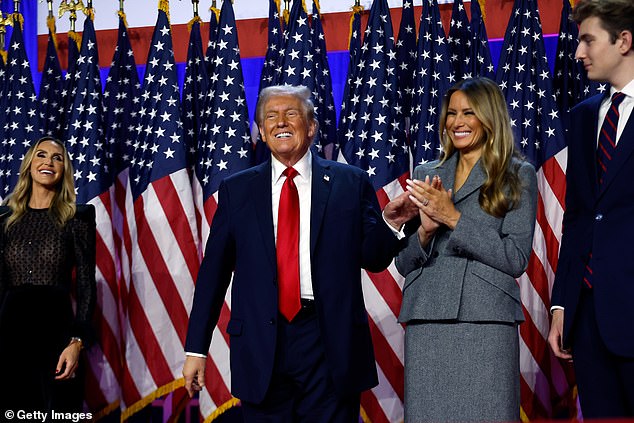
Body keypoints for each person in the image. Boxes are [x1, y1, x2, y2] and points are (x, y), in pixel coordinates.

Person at [182, 85, 415, 422]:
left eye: (291, 113)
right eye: (271, 117)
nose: (281, 122)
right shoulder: (237, 190)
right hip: (262, 344)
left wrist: (391, 224)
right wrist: (196, 349)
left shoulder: (350, 182)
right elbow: (213, 275)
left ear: (311, 126)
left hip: (329, 344)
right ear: (261, 131)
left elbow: (374, 258)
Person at [396, 77, 538, 422]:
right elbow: (404, 262)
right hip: (427, 318)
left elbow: (515, 259)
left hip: (485, 320)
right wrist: (425, 234)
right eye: (452, 113)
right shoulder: (426, 172)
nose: (457, 122)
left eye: (469, 113)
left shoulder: (517, 174)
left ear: (489, 118)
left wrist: (455, 219)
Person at [547, 0, 634, 417]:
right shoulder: (583, 117)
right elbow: (579, 216)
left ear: (624, 41)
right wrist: (562, 303)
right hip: (589, 320)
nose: (578, 52)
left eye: (587, 39)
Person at [0, 136, 96, 412]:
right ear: (29, 165)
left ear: (64, 169)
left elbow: (87, 286)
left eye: (57, 158)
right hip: (10, 330)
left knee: (59, 411)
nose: (49, 162)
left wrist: (77, 342)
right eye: (41, 155)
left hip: (56, 329)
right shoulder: (5, 221)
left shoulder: (77, 218)